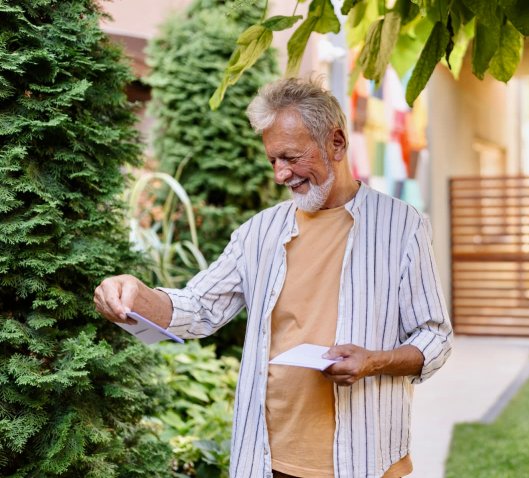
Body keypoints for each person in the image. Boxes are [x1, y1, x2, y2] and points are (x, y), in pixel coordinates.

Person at [93, 77, 453, 478]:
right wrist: (134, 295)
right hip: (268, 463)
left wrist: (374, 361)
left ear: (336, 142)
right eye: (272, 161)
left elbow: (434, 336)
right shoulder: (258, 232)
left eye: (291, 157)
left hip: (368, 461)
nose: (280, 174)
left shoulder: (401, 225)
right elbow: (199, 307)